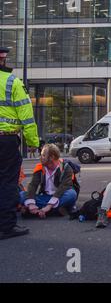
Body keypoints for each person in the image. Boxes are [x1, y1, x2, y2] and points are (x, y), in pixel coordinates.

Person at [0, 46, 39, 240]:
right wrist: (32, 141)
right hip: (6, 140)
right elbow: (26, 116)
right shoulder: (12, 82)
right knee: (7, 182)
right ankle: (6, 226)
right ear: (2, 59)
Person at [20, 144, 77, 219]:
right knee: (21, 195)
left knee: (72, 194)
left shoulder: (66, 168)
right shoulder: (40, 167)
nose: (40, 157)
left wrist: (49, 206)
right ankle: (55, 211)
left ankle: (41, 210)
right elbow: (33, 185)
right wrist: (31, 203)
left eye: (43, 155)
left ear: (52, 157)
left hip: (60, 196)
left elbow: (63, 188)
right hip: (45, 197)